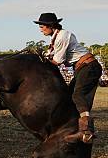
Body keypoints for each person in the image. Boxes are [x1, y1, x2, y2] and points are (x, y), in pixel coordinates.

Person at [35, 13, 102, 144]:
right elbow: (53, 56)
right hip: (84, 67)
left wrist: (43, 59)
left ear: (50, 26)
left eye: (42, 26)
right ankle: (76, 129)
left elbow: (57, 61)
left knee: (77, 95)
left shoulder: (61, 37)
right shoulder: (57, 37)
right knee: (69, 96)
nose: (40, 29)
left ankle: (87, 131)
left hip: (89, 66)